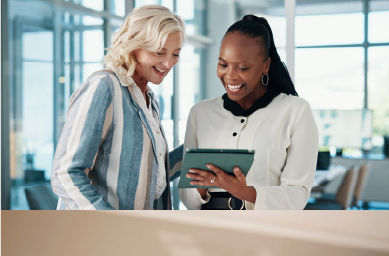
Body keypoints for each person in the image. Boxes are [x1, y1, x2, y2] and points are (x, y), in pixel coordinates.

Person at [52, 5, 186, 210]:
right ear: (134, 46)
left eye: (175, 54)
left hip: (141, 232)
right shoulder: (104, 87)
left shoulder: (150, 100)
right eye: (160, 52)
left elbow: (152, 175)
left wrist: (195, 152)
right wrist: (109, 222)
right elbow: (66, 173)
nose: (168, 63)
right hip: (104, 235)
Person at [180, 15, 318, 210]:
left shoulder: (296, 111)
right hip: (208, 228)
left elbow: (298, 194)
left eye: (243, 67)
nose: (230, 76)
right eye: (223, 64)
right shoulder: (200, 113)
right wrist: (203, 185)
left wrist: (244, 192)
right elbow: (186, 195)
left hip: (262, 230)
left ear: (266, 66)